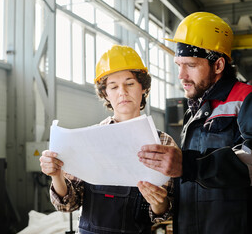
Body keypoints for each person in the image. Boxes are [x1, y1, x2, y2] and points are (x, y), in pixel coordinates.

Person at [137, 12, 252, 234]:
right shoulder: (193, 112)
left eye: (191, 65)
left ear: (218, 65)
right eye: (179, 65)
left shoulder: (251, 99)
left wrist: (189, 164)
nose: (181, 75)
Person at [40, 45, 177, 234]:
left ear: (143, 87)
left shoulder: (162, 143)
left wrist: (159, 203)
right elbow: (68, 205)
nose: (122, 92)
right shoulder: (89, 139)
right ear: (105, 93)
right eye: (113, 86)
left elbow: (166, 214)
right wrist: (56, 174)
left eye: (129, 83)